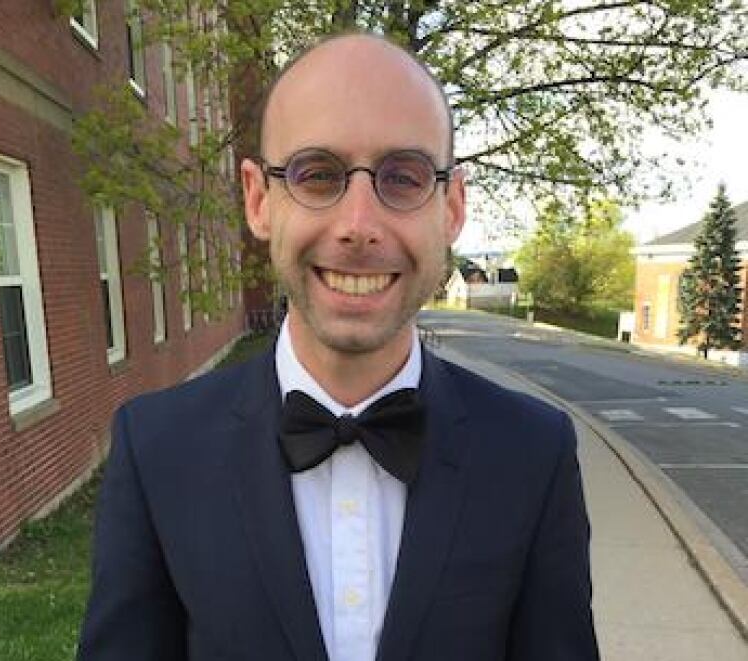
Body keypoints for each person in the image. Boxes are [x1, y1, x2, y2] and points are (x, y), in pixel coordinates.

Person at [77, 32, 599, 661]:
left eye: (402, 177)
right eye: (318, 175)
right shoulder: (157, 450)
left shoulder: (533, 454)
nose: (357, 226)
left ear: (452, 207)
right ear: (258, 200)